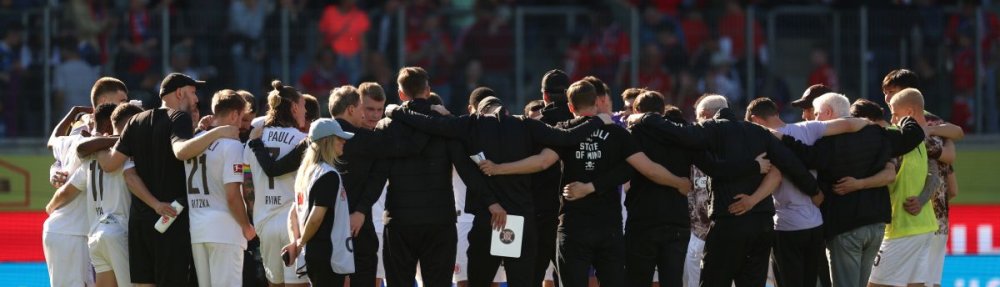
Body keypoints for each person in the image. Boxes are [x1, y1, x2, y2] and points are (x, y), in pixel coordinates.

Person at [383, 85, 616, 286]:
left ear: (479, 110)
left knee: (480, 282)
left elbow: (432, 126)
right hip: (518, 219)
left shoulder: (471, 124)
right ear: (504, 109)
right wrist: (596, 120)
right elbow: (566, 138)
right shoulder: (525, 125)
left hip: (489, 219)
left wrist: (396, 111)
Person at [628, 94, 819, 287]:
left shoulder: (711, 128)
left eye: (698, 117)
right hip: (762, 224)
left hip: (729, 221)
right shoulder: (760, 132)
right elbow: (789, 162)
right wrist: (813, 190)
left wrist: (645, 117)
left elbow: (682, 136)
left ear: (705, 115)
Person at [98, 73, 240, 286]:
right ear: (180, 93)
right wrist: (217, 133)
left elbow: (111, 165)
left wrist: (90, 139)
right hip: (171, 219)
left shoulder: (136, 120)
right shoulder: (178, 117)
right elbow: (181, 151)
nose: (196, 99)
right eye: (192, 93)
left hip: (140, 222)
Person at [774, 92, 924, 287]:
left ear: (828, 113)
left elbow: (805, 156)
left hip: (846, 225)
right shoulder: (877, 133)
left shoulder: (827, 143)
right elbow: (913, 135)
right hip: (876, 224)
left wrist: (781, 138)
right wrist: (905, 118)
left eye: (818, 114)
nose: (815, 120)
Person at [366, 67, 493, 286]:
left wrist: (359, 208)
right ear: (428, 91)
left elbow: (377, 176)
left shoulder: (387, 127)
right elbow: (467, 170)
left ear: (401, 94)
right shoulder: (445, 126)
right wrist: (493, 202)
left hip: (399, 221)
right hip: (440, 222)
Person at [745, 97, 870, 287]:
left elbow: (776, 176)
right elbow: (848, 124)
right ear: (776, 113)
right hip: (815, 222)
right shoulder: (808, 128)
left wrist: (751, 201)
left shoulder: (764, 140)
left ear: (755, 120)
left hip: (786, 224)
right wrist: (865, 121)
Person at [46, 102, 141, 287]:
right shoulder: (125, 154)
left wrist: (50, 206)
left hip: (96, 234)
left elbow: (68, 190)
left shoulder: (91, 156)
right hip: (118, 231)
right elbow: (132, 180)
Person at [868, 88, 940, 287]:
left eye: (894, 113)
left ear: (908, 113)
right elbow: (934, 175)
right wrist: (923, 199)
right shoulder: (923, 143)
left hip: (902, 227)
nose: (892, 119)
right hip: (925, 226)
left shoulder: (896, 137)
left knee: (874, 284)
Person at [242, 80, 310, 287]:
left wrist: (254, 213)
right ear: (294, 107)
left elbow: (247, 183)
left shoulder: (254, 139)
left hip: (264, 221)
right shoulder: (303, 139)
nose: (305, 112)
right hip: (293, 223)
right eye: (304, 107)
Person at [185, 90, 256, 286]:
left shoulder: (195, 141)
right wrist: (246, 226)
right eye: (241, 117)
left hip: (198, 229)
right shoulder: (231, 145)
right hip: (225, 230)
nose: (241, 123)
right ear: (234, 114)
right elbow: (232, 195)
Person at [287, 118, 355, 284]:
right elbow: (316, 217)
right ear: (327, 141)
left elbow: (292, 215)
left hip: (314, 255)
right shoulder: (328, 174)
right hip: (328, 256)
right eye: (339, 138)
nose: (343, 141)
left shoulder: (306, 172)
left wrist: (295, 243)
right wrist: (300, 243)